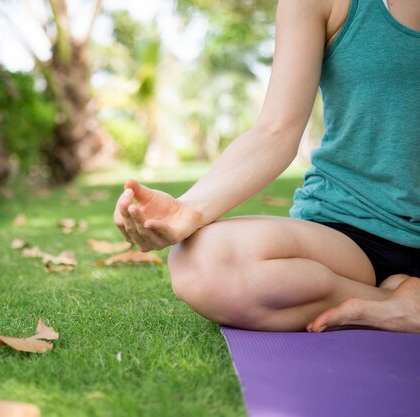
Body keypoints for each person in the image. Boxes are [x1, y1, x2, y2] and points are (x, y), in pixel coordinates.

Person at [114, 0, 420, 333]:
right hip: (350, 235)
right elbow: (276, 131)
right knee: (201, 263)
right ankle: (391, 301)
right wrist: (187, 208)